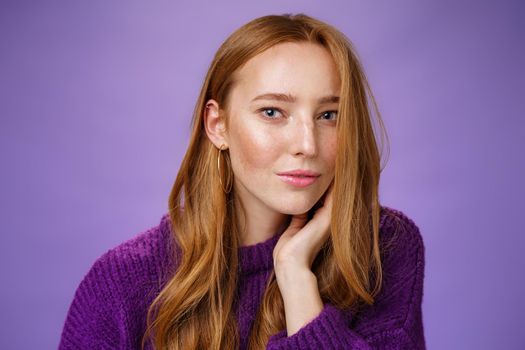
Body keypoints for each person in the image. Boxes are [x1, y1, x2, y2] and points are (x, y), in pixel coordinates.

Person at [59, 13, 426, 350]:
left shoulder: (382, 249)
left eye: (329, 115)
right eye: (272, 112)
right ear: (217, 125)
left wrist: (296, 278)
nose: (306, 144)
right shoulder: (122, 284)